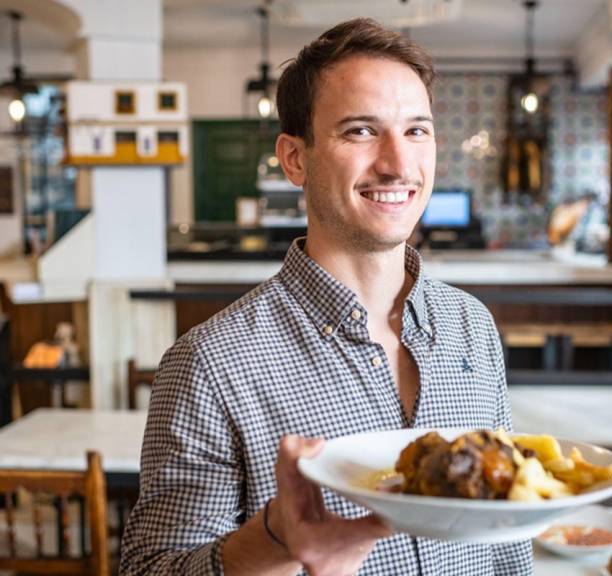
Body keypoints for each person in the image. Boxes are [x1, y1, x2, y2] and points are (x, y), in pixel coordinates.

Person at [120, 18, 533, 576]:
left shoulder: (472, 327)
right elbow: (150, 569)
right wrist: (272, 542)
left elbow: (505, 538)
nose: (398, 164)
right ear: (295, 159)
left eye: (417, 130)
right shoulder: (209, 365)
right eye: (361, 131)